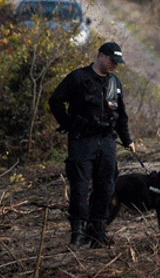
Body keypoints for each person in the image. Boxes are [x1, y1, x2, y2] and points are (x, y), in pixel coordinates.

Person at [49, 42, 135, 249]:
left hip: (107, 141)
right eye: (112, 60)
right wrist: (68, 124)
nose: (114, 65)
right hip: (83, 141)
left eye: (117, 62)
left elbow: (121, 114)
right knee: (79, 187)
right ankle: (77, 234)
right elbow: (55, 100)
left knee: (106, 187)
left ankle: (97, 231)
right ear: (101, 56)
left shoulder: (115, 82)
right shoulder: (78, 78)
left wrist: (127, 140)